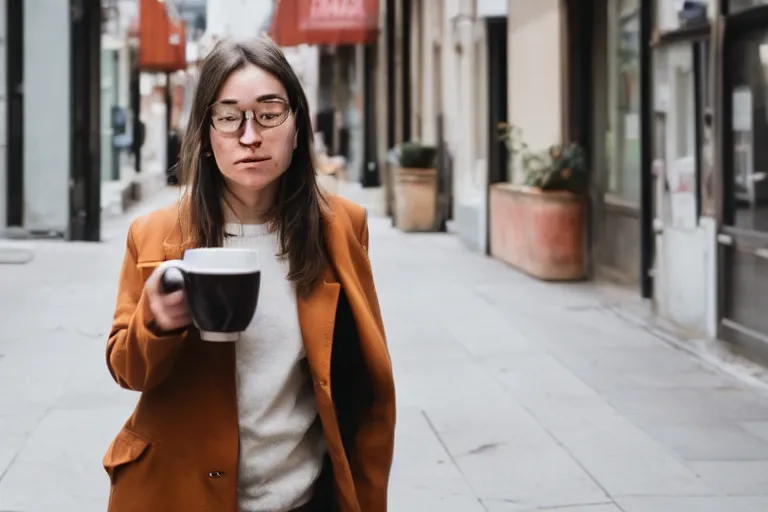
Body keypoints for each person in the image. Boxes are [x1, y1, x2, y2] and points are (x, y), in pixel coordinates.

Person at [103, 37, 396, 512]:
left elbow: (361, 379)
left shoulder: (342, 228)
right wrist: (155, 322)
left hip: (304, 498)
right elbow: (128, 371)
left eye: (269, 112)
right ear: (205, 133)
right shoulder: (155, 234)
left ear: (297, 126)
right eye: (228, 116)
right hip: (178, 495)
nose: (249, 135)